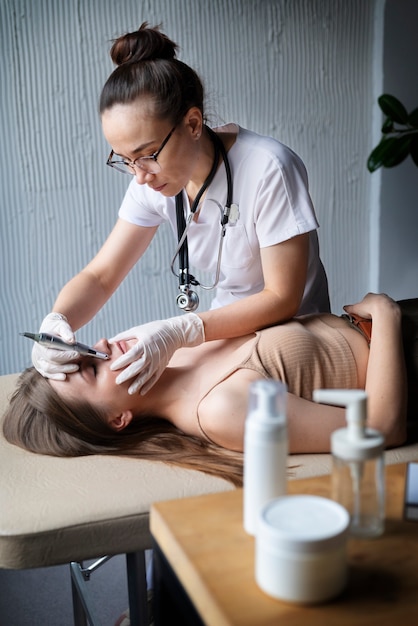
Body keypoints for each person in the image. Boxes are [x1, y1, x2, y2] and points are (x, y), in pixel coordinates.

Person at [31, 22, 330, 396]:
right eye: (124, 160)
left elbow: (282, 297)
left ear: (192, 123)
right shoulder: (153, 183)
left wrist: (182, 331)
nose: (139, 176)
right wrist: (57, 323)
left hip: (297, 339)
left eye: (148, 155)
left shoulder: (269, 168)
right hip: (226, 337)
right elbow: (102, 276)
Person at [4, 294, 417, 487]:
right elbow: (381, 429)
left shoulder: (165, 353)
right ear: (118, 419)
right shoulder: (221, 411)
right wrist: (386, 315)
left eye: (86, 349)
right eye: (93, 368)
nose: (105, 346)